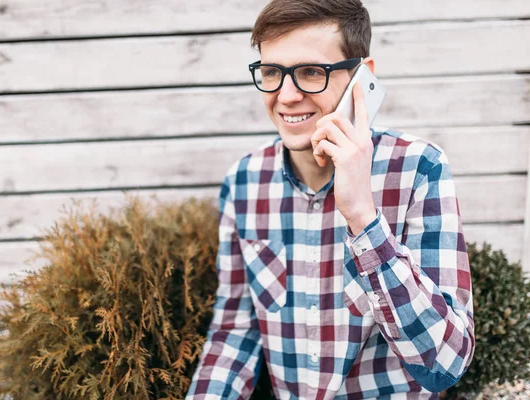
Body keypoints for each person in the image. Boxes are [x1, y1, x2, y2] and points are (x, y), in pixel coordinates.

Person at [186, 0, 475, 398]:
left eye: (310, 72)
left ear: (361, 77)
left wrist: (363, 218)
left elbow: (445, 363)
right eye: (272, 72)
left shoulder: (418, 168)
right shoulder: (245, 181)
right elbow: (234, 334)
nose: (286, 96)